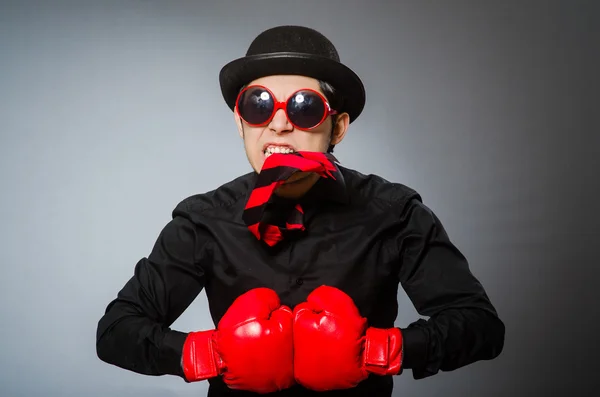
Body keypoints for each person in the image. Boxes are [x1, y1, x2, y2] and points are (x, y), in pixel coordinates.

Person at [96, 25, 505, 396]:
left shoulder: (395, 213)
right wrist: (208, 353)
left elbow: (480, 326)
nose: (277, 125)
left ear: (338, 127)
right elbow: (115, 331)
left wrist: (380, 350)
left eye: (304, 107)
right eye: (258, 105)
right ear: (241, 123)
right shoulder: (204, 220)